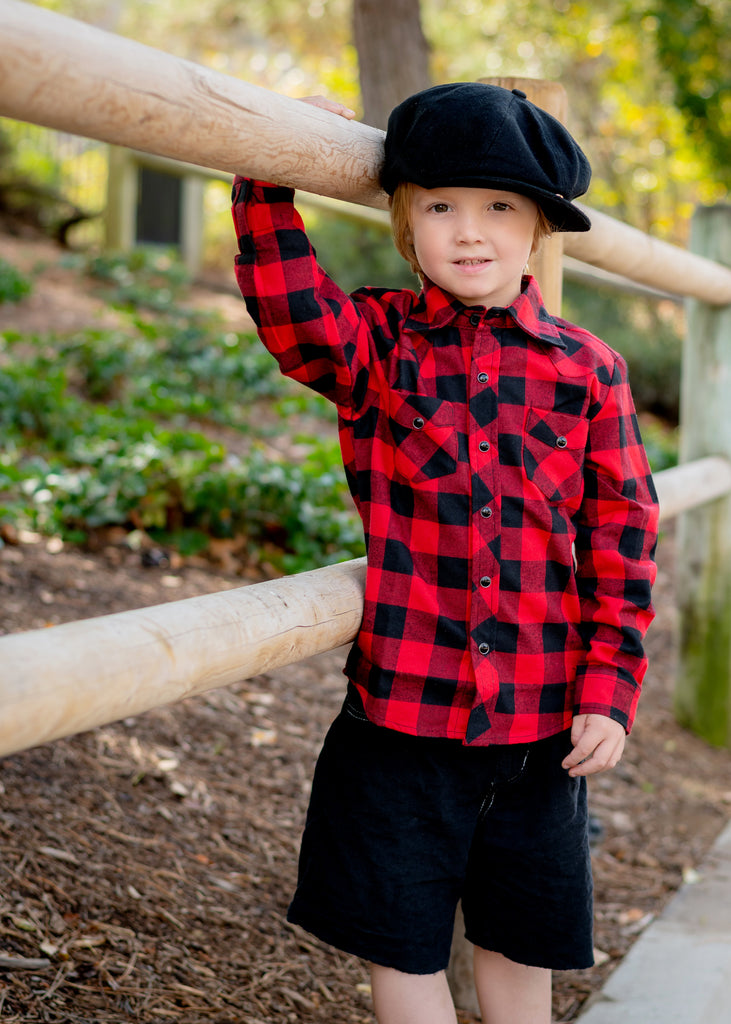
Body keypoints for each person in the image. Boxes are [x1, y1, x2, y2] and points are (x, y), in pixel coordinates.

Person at [231, 82, 659, 1024]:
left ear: (539, 224)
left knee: (519, 950)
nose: (469, 232)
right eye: (439, 207)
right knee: (403, 947)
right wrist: (267, 169)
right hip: (398, 728)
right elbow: (292, 311)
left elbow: (622, 537)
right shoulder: (378, 344)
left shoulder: (588, 370)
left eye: (498, 206)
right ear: (403, 222)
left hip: (541, 734)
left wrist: (609, 689)